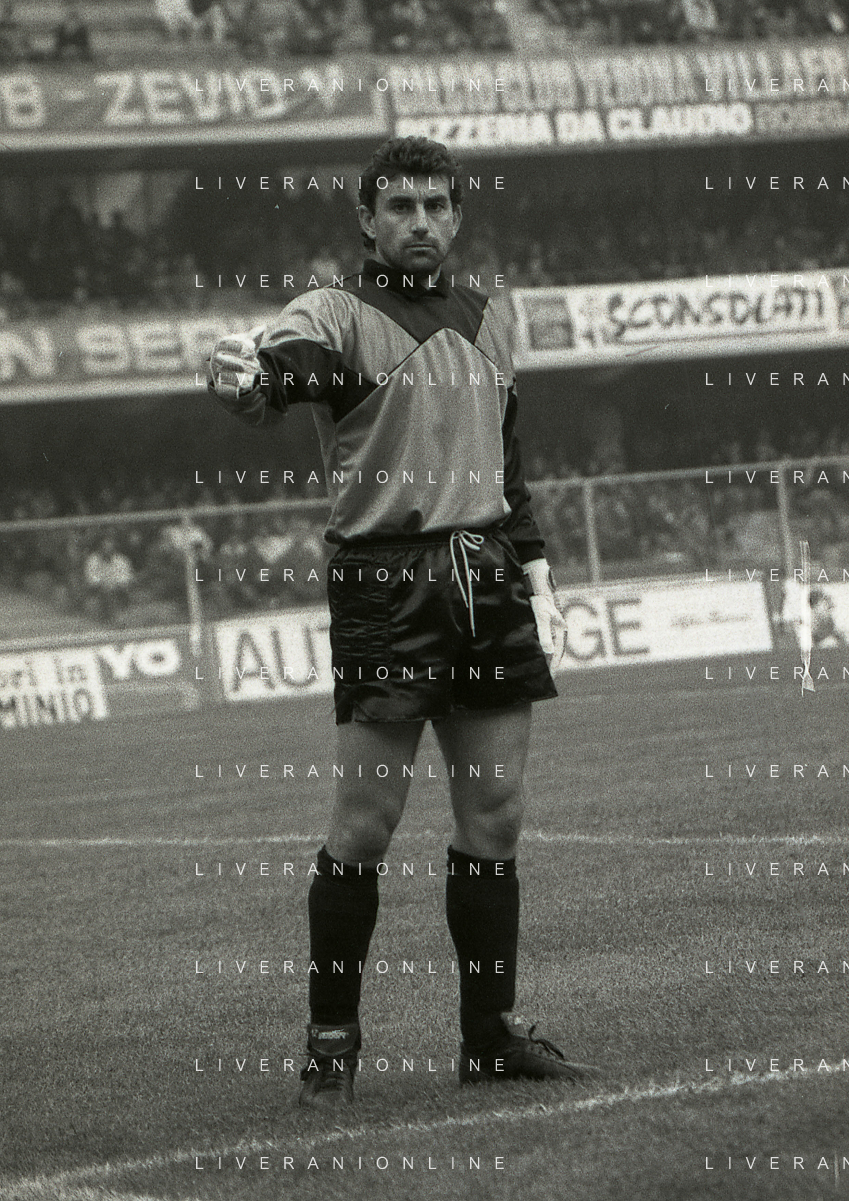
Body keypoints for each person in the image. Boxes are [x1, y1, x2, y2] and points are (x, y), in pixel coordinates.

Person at [207, 136, 596, 1111]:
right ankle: (331, 1045)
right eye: (400, 206)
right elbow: (280, 375)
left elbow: (508, 463)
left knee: (495, 813)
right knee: (364, 825)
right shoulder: (333, 312)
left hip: (488, 576)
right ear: (368, 218)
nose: (419, 222)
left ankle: (489, 1039)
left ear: (457, 215)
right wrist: (250, 383)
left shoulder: (491, 315)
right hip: (387, 587)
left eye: (435, 205)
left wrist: (539, 574)